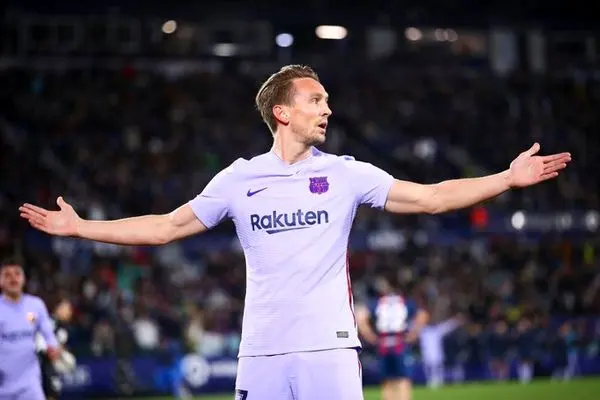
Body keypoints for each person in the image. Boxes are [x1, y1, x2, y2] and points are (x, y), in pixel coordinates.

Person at [19, 64, 572, 399]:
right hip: (260, 350)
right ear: (282, 112)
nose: (328, 109)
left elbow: (431, 198)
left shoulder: (347, 173)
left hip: (330, 349)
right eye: (316, 100)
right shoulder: (238, 179)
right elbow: (166, 227)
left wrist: (506, 178)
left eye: (327, 100)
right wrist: (81, 227)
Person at [355, 279, 428, 400]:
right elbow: (423, 315)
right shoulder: (404, 301)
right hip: (400, 342)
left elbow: (360, 317)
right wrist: (413, 334)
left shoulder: (378, 302)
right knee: (403, 379)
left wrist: (370, 336)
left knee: (387, 380)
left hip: (383, 343)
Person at [0, 257, 61, 400]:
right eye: (7, 275)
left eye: (17, 274)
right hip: (3, 383)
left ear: (24, 278)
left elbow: (48, 333)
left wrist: (53, 347)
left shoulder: (36, 305)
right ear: (0, 281)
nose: (13, 279)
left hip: (30, 384)